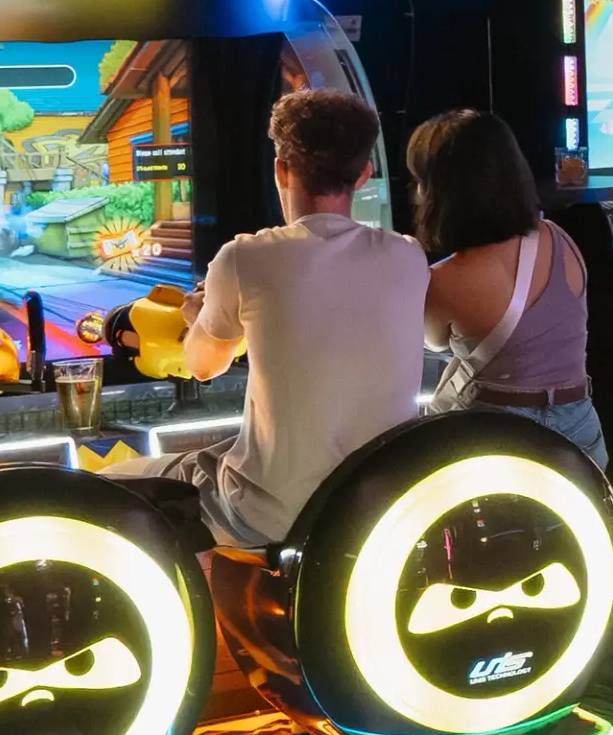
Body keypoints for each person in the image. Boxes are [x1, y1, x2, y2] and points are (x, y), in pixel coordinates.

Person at [131, 88, 428, 547]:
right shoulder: (409, 257)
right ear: (365, 174)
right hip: (381, 511)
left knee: (118, 477)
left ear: (281, 169)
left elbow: (202, 366)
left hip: (272, 517)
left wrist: (198, 315)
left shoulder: (244, 258)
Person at [408, 107, 606, 471]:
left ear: (442, 192)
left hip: (497, 435)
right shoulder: (561, 240)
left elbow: (433, 344)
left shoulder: (446, 278)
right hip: (581, 431)